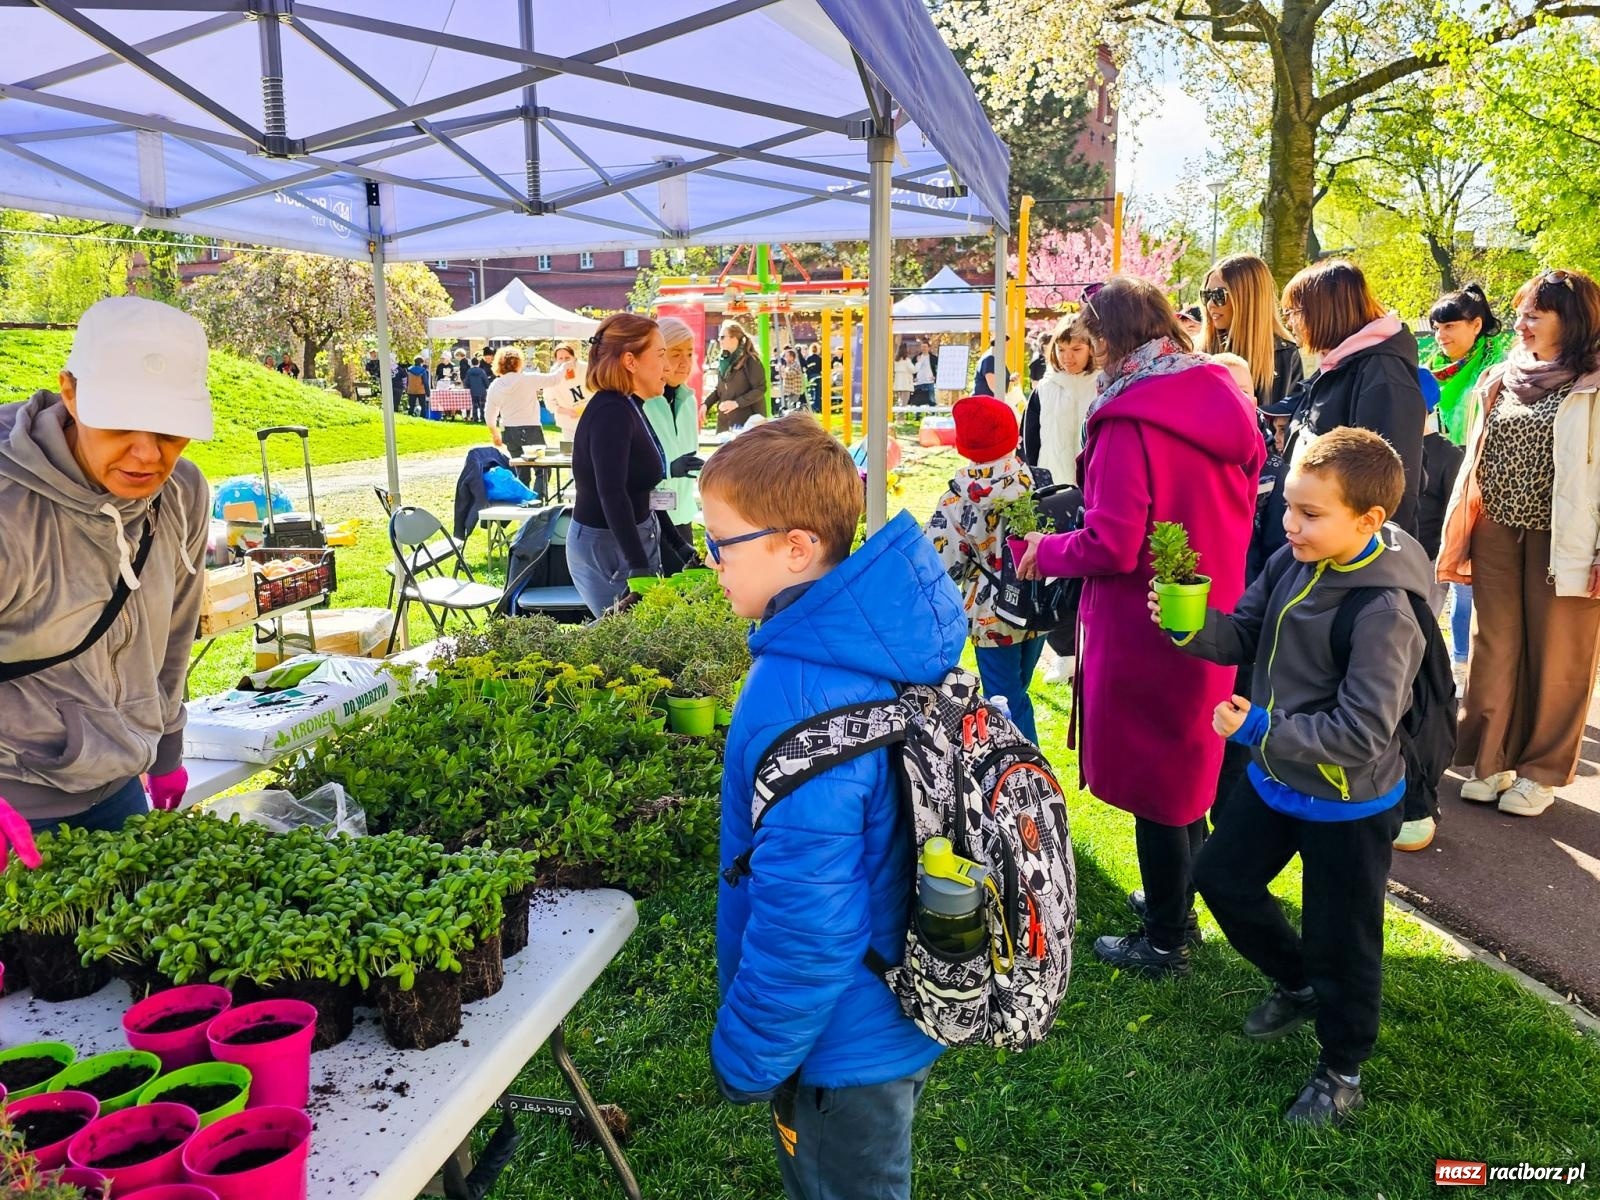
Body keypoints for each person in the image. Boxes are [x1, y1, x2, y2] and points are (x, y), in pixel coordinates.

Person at [703, 415, 965, 1200]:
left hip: (838, 1039)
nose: (710, 562)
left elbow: (810, 920)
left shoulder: (800, 690)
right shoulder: (868, 641)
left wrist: (749, 1055)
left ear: (795, 546)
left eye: (721, 542)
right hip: (888, 1005)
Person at [1178, 428, 1428, 1127]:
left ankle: (1341, 1069)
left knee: (1342, 939)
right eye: (1289, 506)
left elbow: (1361, 734)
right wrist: (1189, 626)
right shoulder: (1293, 561)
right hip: (1277, 778)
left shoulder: (1383, 611)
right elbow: (1243, 635)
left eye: (1310, 514)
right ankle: (1297, 984)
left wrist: (1259, 728)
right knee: (1221, 879)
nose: (1290, 524)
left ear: (1369, 521)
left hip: (1348, 803)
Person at [1014, 276, 1263, 976]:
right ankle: (1176, 900)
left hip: (1144, 620)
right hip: (1210, 610)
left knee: (1159, 785)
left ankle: (1165, 938)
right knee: (1186, 769)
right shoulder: (1219, 391)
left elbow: (1114, 542)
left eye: (1089, 334)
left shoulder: (1129, 415)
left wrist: (1046, 550)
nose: (1084, 347)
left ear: (1108, 336)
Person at [0, 296, 214, 863]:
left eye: (171, 430)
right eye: (121, 423)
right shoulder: (7, 511)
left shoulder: (182, 492)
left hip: (118, 788)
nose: (148, 454)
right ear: (69, 392)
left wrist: (166, 751)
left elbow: (175, 631)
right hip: (14, 808)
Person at [1437, 268, 1600, 818]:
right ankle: (1491, 759)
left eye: (1537, 313)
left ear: (1571, 321)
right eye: (1524, 312)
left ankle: (1541, 772)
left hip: (1568, 536)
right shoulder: (1506, 376)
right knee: (1494, 646)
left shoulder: (1595, 380)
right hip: (1499, 528)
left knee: (1560, 654)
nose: (1523, 323)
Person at [1259, 260, 1425, 565]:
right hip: (1322, 542)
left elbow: (1392, 480)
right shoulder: (1339, 363)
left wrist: (1363, 561)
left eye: (1295, 312)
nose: (1291, 322)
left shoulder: (1382, 372)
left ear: (1324, 311)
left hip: (1354, 558)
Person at [924, 395, 1047, 743]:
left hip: (993, 618)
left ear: (964, 445)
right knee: (1018, 690)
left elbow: (943, 566)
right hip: (1039, 606)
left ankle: (1026, 777)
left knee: (1007, 701)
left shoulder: (956, 500)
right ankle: (1029, 772)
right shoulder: (1033, 479)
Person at [568, 314, 697, 616]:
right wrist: (638, 567)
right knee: (627, 645)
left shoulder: (629, 405)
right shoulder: (611, 412)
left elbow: (643, 489)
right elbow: (611, 493)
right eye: (661, 354)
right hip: (609, 548)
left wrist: (678, 545)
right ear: (630, 361)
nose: (667, 366)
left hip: (632, 539)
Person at [1426, 284, 1507, 683]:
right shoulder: (1430, 368)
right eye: (1437, 327)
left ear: (1476, 325)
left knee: (1467, 590)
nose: (1442, 336)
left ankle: (1466, 671)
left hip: (1479, 487)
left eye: (1450, 326)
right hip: (1436, 485)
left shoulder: (1499, 370)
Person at [1202, 254, 1305, 411]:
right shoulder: (1198, 353)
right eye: (1206, 295)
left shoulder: (1285, 354)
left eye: (1218, 295)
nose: (1210, 304)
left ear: (1248, 299)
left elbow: (1284, 425)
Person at [643, 317, 704, 544]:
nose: (684, 362)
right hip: (648, 516)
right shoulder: (641, 401)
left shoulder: (687, 399)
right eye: (675, 353)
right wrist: (667, 469)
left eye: (689, 354)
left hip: (682, 513)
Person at [1021, 314, 1096, 487]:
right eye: (1061, 349)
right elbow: (1030, 442)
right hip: (1054, 486)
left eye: (1076, 349)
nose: (1067, 357)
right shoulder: (1044, 389)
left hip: (1096, 486)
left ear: (1092, 348)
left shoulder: (1104, 386)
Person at [711, 320, 766, 432]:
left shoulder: (751, 361)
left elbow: (760, 389)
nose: (719, 340)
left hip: (748, 424)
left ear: (734, 338)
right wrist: (705, 405)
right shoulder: (723, 361)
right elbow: (719, 390)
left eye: (722, 337)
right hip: (725, 423)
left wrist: (736, 403)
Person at [539, 341, 590, 444]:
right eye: (560, 359)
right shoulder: (553, 377)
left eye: (567, 358)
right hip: (568, 423)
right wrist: (568, 412)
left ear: (574, 357)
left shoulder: (587, 369)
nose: (564, 362)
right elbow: (550, 404)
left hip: (591, 419)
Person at [464, 353, 491, 425]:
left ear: (472, 363)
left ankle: (475, 417)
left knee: (474, 405)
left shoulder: (469, 371)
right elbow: (485, 380)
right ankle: (483, 417)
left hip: (473, 391)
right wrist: (487, 387)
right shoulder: (481, 371)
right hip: (482, 391)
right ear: (478, 363)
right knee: (483, 405)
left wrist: (469, 387)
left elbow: (466, 381)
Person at [909, 340, 937, 406]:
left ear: (929, 348)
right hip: (919, 381)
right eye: (922, 347)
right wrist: (914, 377)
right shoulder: (916, 358)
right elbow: (912, 369)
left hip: (930, 381)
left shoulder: (933, 358)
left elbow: (938, 368)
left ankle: (933, 414)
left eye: (925, 347)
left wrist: (935, 377)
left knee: (932, 399)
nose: (923, 348)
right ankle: (917, 415)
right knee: (918, 400)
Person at [893, 342, 914, 408]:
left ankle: (899, 418)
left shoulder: (896, 361)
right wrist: (918, 362)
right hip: (906, 385)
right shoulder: (907, 361)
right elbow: (913, 370)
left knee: (900, 404)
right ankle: (900, 418)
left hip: (898, 386)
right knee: (904, 405)